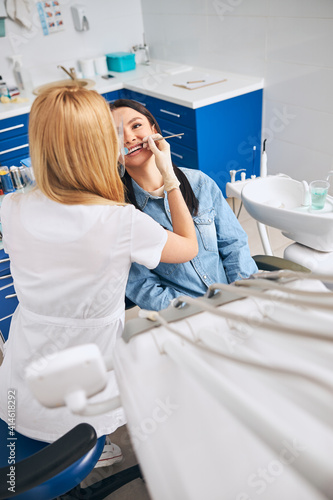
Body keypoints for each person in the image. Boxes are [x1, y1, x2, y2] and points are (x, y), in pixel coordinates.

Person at [0, 87, 198, 467]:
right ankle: (90, 449)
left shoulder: (12, 206)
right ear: (100, 145)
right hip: (87, 378)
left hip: (22, 377)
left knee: (39, 415)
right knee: (92, 418)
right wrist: (171, 179)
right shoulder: (120, 221)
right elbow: (188, 247)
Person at [110, 99, 258, 312]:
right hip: (187, 316)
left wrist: (241, 296)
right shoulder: (120, 213)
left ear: (154, 129)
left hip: (237, 298)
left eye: (136, 126)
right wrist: (198, 311)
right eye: (116, 134)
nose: (130, 138)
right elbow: (143, 286)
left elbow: (234, 244)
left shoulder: (200, 183)